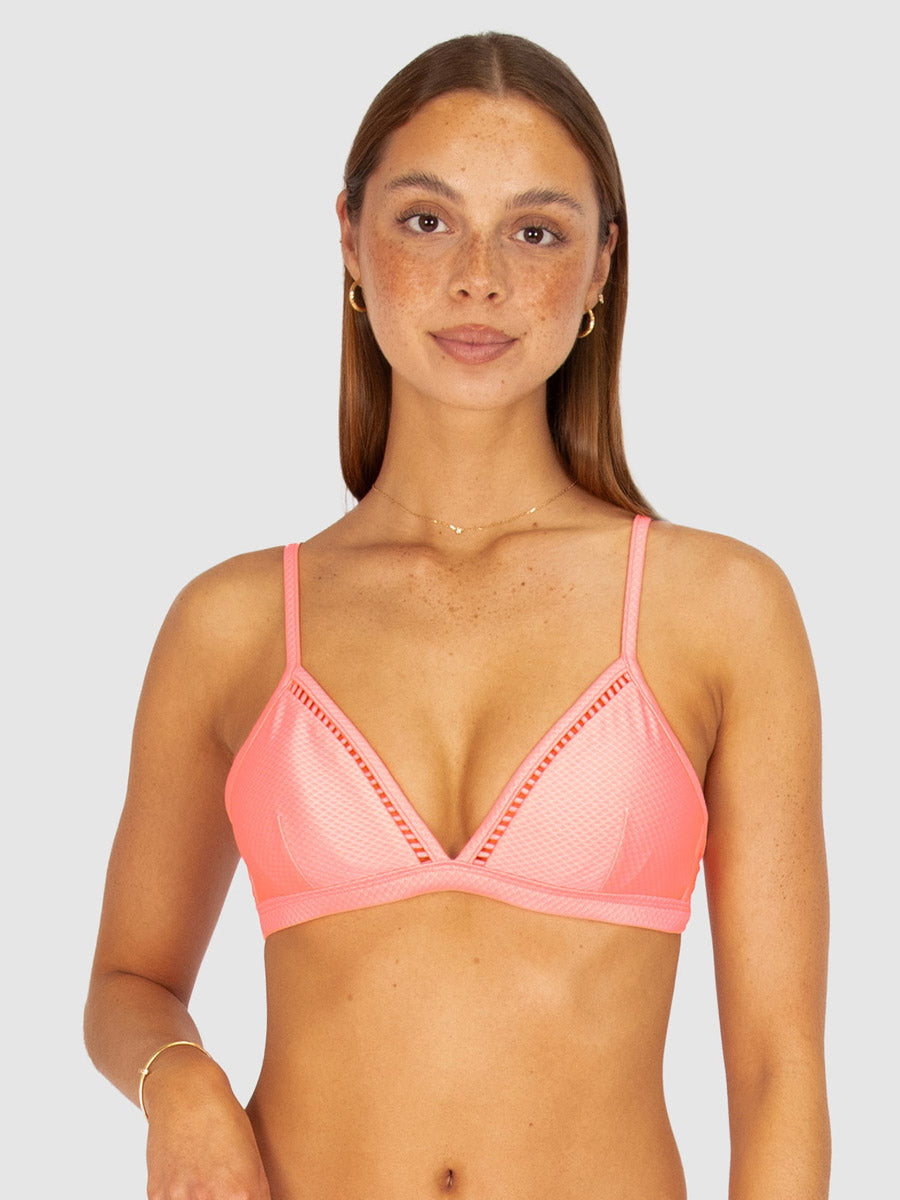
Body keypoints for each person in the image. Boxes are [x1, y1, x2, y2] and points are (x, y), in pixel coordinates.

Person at [84, 31, 830, 1200]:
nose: (478, 278)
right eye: (427, 220)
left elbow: (780, 1074)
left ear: (602, 266)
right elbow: (127, 984)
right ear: (349, 237)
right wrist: (179, 1082)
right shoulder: (232, 626)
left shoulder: (720, 611)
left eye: (536, 232)